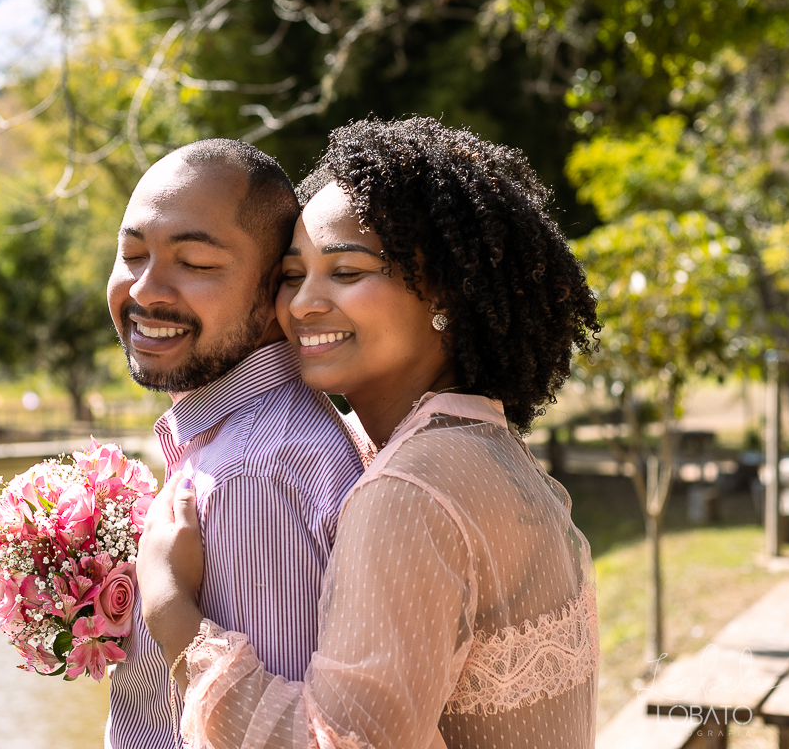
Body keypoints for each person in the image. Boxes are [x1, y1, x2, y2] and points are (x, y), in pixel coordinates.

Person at [138, 117, 603, 749]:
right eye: (292, 276)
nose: (303, 304)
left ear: (444, 292)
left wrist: (172, 616)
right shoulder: (479, 447)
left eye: (347, 272)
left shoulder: (409, 491)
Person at [104, 138, 365, 748]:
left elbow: (290, 735)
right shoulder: (240, 443)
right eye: (132, 253)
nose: (145, 290)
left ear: (280, 288)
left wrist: (164, 606)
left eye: (194, 263)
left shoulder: (250, 476)